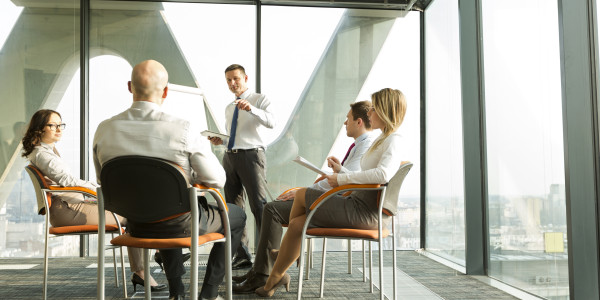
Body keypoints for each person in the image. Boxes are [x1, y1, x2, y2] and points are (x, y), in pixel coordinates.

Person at [93, 60, 246, 300]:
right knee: (235, 215)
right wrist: (189, 178)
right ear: (165, 91)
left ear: (130, 87)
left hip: (136, 226)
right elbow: (217, 179)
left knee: (167, 203)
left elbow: (104, 179)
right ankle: (208, 292)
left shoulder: (104, 130)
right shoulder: (182, 129)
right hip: (180, 224)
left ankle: (177, 292)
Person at [255, 88, 407, 297]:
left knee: (301, 195)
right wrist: (341, 171)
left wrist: (342, 179)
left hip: (365, 212)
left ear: (384, 110)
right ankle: (277, 275)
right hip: (358, 204)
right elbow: (367, 175)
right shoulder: (383, 139)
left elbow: (382, 175)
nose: (370, 113)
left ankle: (284, 259)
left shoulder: (393, 140)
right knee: (298, 223)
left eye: (373, 108)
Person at [231, 100, 375, 293]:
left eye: (347, 119)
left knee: (272, 209)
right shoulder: (360, 146)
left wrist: (304, 193)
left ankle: (264, 274)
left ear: (358, 122)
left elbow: (348, 182)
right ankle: (264, 271)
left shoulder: (365, 147)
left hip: (336, 203)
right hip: (332, 198)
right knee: (276, 207)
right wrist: (332, 174)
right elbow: (347, 176)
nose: (344, 123)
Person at [21, 109, 165, 292]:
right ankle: (151, 261)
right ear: (39, 129)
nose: (59, 129)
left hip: (71, 206)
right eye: (53, 125)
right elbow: (68, 182)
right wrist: (103, 189)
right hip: (68, 210)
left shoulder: (46, 151)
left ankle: (152, 260)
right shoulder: (42, 154)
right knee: (134, 215)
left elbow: (68, 183)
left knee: (133, 209)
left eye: (60, 124)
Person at [208, 64, 275, 270]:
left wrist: (251, 109)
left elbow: (271, 122)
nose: (232, 83)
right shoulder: (229, 107)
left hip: (252, 156)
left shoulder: (259, 100)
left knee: (259, 206)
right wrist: (222, 141)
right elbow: (234, 137)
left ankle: (269, 255)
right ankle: (243, 254)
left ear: (245, 78)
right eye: (228, 80)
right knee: (233, 208)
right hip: (230, 157)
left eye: (236, 79)